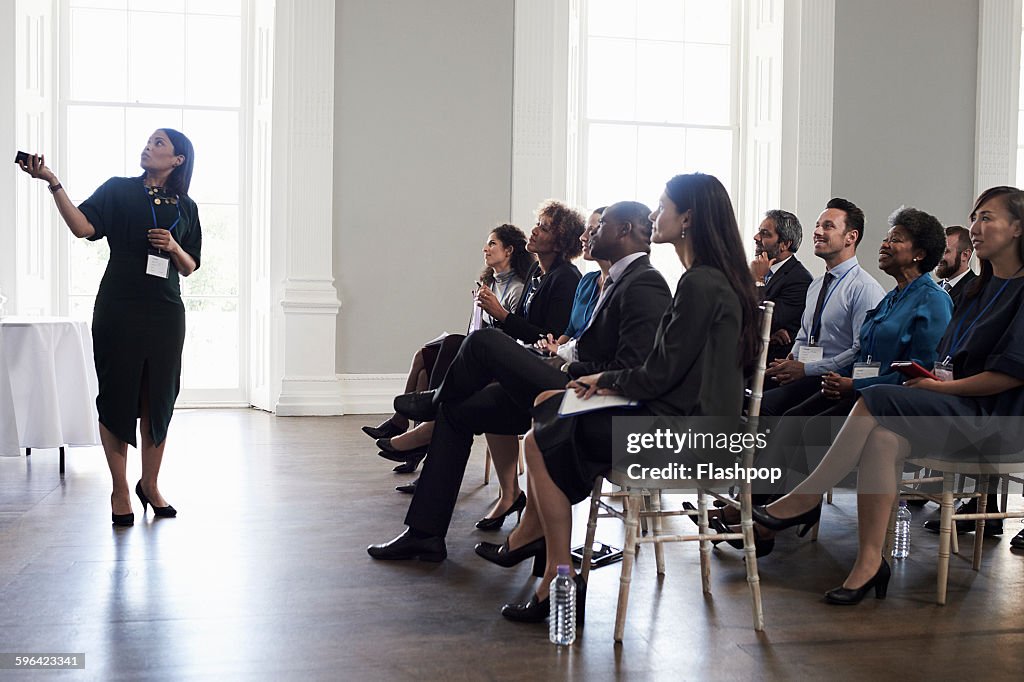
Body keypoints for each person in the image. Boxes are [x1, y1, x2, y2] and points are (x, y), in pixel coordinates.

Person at [490, 173, 760, 624]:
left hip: (683, 432)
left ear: (687, 217)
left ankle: (558, 573)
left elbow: (659, 373)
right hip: (686, 417)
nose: (655, 216)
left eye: (662, 206)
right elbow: (665, 370)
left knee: (542, 435)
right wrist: (602, 381)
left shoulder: (700, 283)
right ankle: (555, 564)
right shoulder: (709, 279)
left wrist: (604, 380)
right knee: (549, 411)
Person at [753, 186, 1024, 604]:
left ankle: (805, 498)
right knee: (884, 438)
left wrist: (939, 385)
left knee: (877, 397)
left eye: (987, 217)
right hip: (953, 405)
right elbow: (944, 358)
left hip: (996, 417)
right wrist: (932, 379)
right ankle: (869, 563)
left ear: (1019, 227)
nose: (975, 227)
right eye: (974, 217)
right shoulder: (976, 291)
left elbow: (1008, 376)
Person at [366, 200, 671, 562]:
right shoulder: (609, 281)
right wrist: (560, 353)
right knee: (458, 409)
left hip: (584, 395)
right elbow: (590, 346)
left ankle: (432, 403)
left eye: (600, 225)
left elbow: (632, 367)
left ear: (625, 231)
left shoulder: (645, 283)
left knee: (482, 342)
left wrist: (566, 366)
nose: (589, 233)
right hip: (566, 375)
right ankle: (425, 533)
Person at [711, 207, 952, 554]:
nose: (883, 244)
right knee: (791, 418)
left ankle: (767, 518)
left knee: (801, 425)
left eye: (895, 239)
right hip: (855, 389)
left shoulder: (932, 300)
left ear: (919, 253)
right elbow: (861, 352)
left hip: (889, 402)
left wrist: (854, 385)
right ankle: (753, 509)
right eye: (886, 237)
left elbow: (918, 372)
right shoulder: (892, 297)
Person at [17, 129, 202, 526]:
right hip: (119, 306)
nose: (148, 147)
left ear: (177, 160)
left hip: (167, 311)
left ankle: (149, 485)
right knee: (117, 395)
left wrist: (173, 247)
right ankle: (120, 489)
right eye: (148, 141)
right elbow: (83, 227)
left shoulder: (186, 207)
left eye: (158, 144)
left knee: (160, 397)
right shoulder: (118, 189)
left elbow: (190, 266)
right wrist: (54, 183)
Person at [361, 223, 533, 471]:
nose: (485, 248)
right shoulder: (489, 284)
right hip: (477, 350)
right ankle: (412, 438)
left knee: (436, 360)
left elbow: (509, 336)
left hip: (493, 360)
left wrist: (495, 312)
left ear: (508, 250)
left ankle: (411, 437)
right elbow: (476, 329)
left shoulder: (516, 288)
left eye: (492, 243)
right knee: (423, 360)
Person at [761, 198, 886, 416]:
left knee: (765, 406)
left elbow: (859, 350)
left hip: (831, 378)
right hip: (805, 371)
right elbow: (804, 333)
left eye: (828, 226)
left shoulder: (864, 288)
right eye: (818, 225)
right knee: (743, 392)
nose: (818, 231)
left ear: (851, 237)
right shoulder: (817, 284)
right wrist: (792, 359)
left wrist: (805, 369)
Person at [750, 209, 813, 361]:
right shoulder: (756, 269)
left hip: (769, 368)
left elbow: (760, 322)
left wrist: (758, 280)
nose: (756, 237)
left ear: (785, 244)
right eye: (759, 232)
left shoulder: (799, 280)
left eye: (765, 234)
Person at [935, 225, 976, 309]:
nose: (938, 257)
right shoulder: (933, 289)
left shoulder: (978, 289)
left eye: (945, 251)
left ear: (965, 255)